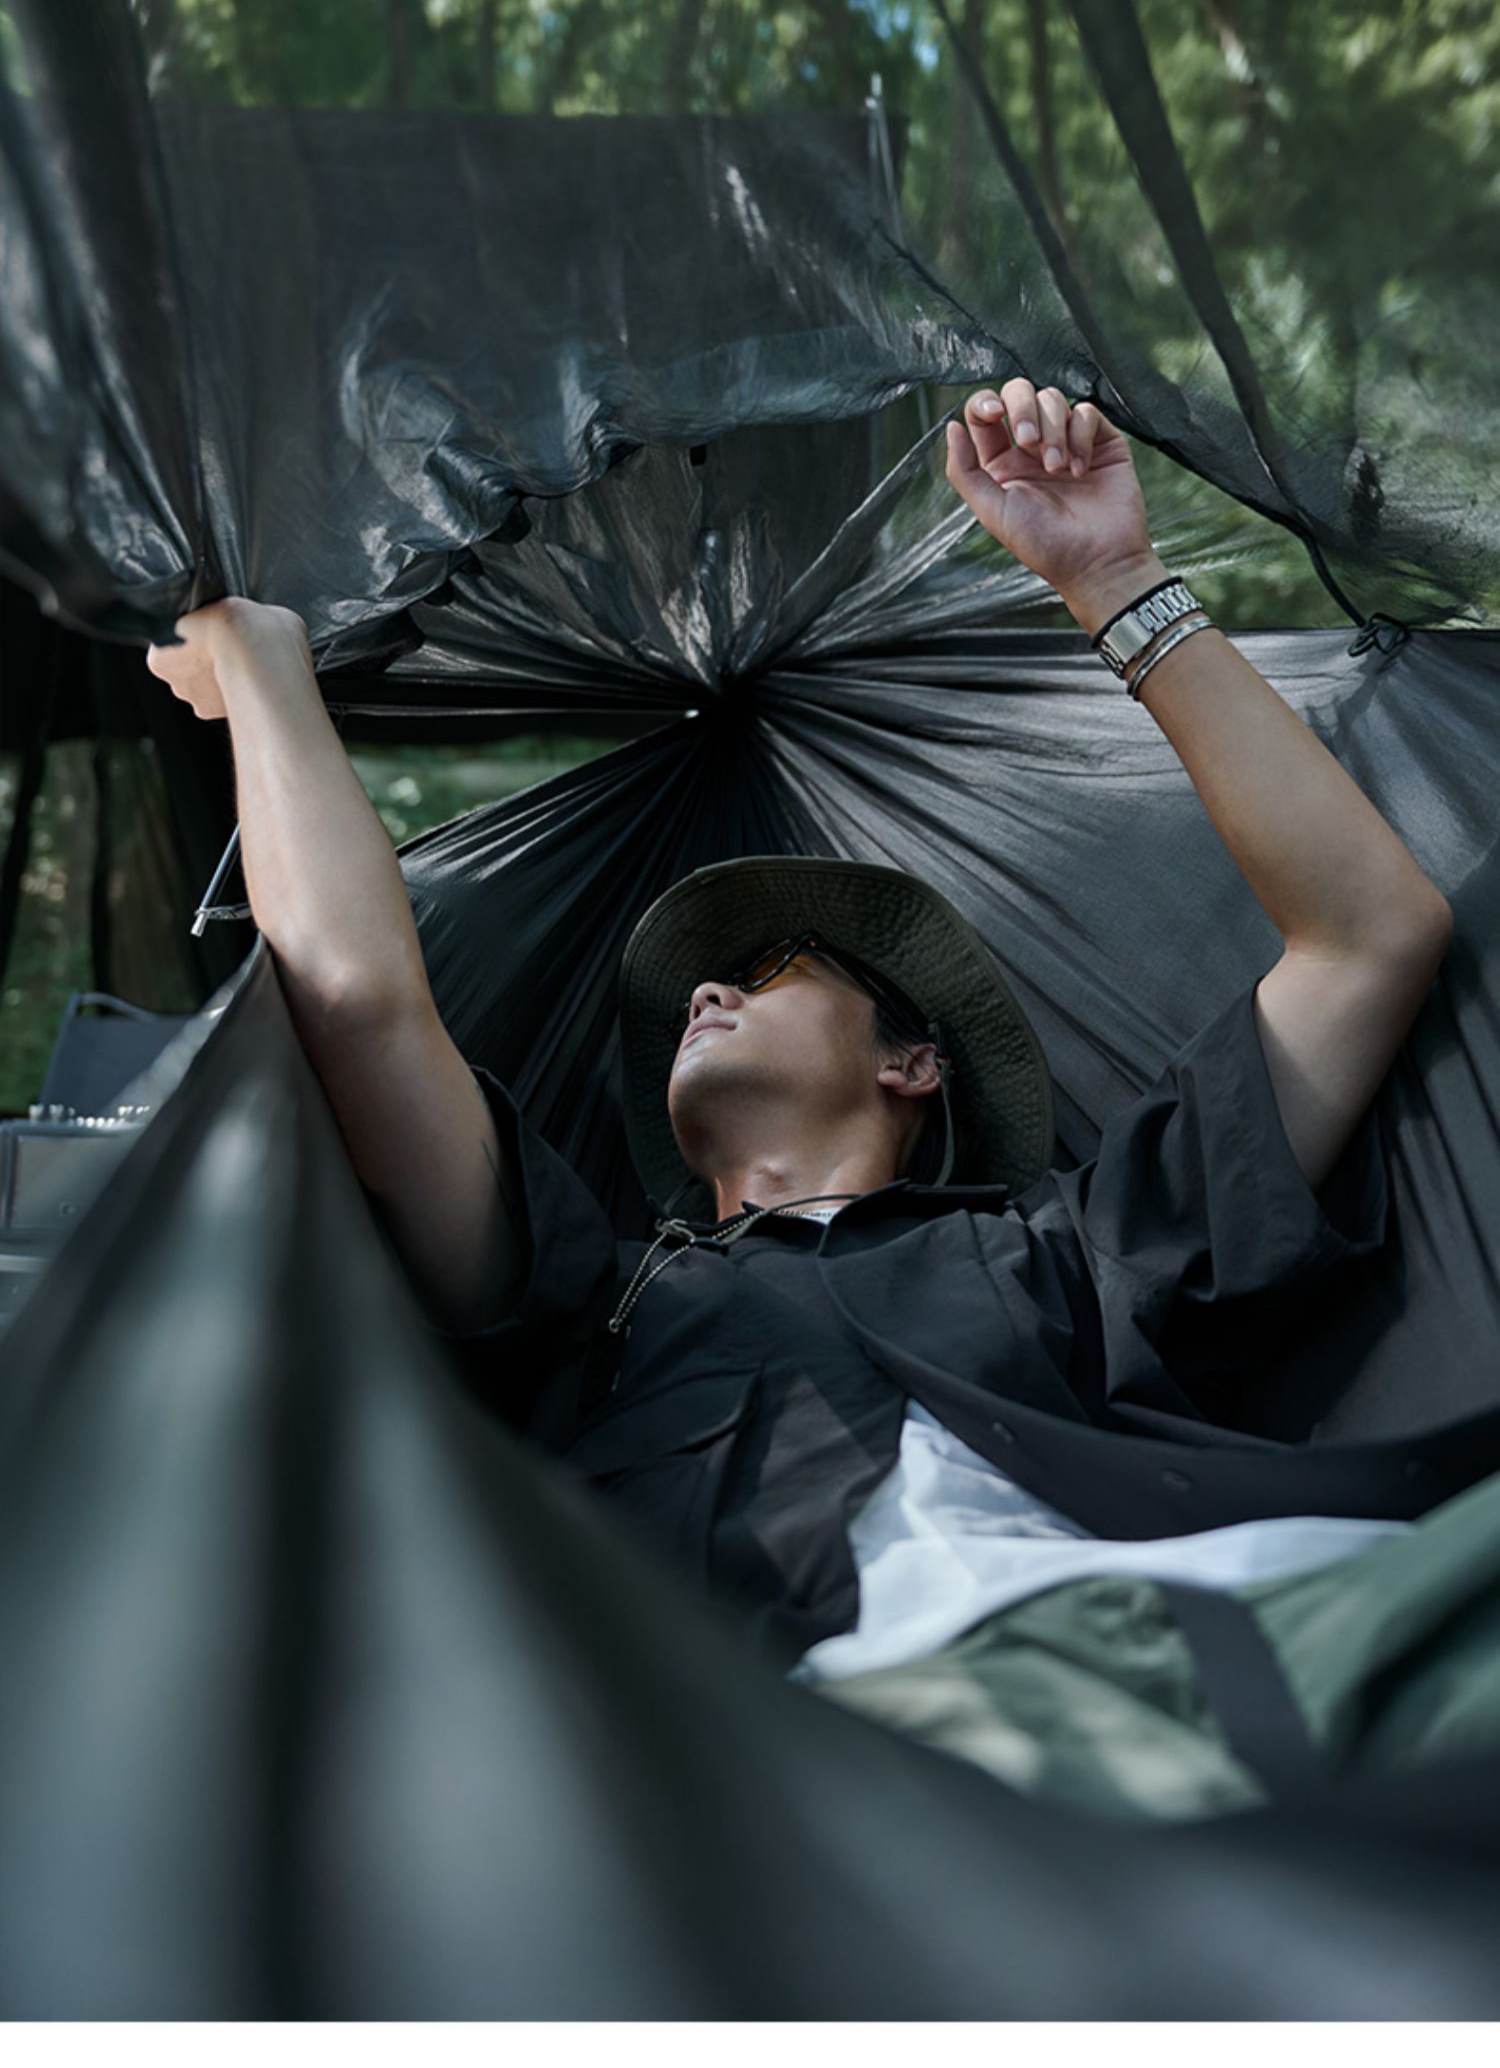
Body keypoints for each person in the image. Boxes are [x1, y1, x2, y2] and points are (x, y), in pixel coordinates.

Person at [151, 382, 1500, 1824]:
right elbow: (359, 1000)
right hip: (784, 1780)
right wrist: (263, 659)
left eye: (770, 968)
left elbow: (1370, 937)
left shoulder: (1066, 1254)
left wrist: (1114, 580)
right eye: (705, 988)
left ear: (912, 1066)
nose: (705, 991)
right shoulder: (588, 1304)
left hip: (1212, 1648)